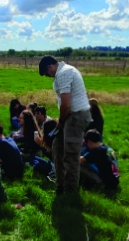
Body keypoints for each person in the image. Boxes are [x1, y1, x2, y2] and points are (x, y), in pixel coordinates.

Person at [39, 55, 92, 194]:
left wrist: (61, 122)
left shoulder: (64, 73)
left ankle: (70, 192)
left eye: (47, 73)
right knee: (57, 147)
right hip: (69, 117)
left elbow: (66, 103)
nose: (48, 76)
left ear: (50, 67)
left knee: (71, 156)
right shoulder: (63, 72)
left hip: (76, 117)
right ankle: (61, 184)